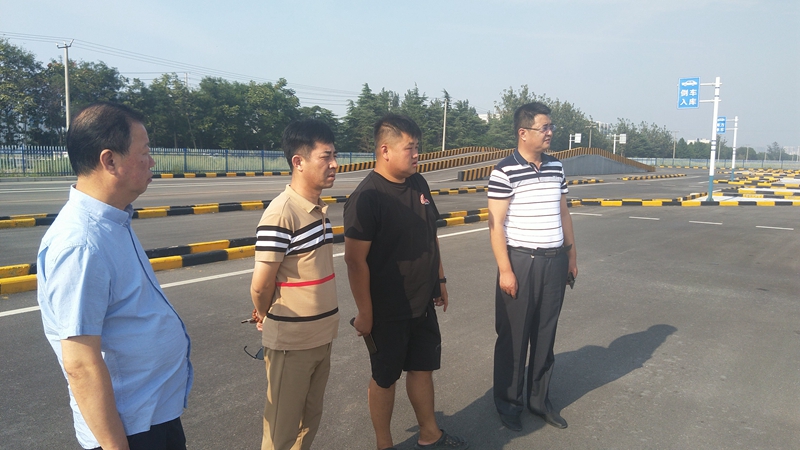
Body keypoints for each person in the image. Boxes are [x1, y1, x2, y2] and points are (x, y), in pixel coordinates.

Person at [37, 102, 193, 450]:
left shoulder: (111, 221)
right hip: (128, 432)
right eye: (145, 152)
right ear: (110, 161)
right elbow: (80, 362)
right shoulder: (81, 243)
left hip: (151, 417)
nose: (152, 162)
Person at [344, 114, 468, 450]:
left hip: (422, 300)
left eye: (418, 148)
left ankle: (430, 434)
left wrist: (439, 279)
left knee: (422, 368)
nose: (417, 155)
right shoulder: (367, 197)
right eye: (410, 148)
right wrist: (365, 312)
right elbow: (354, 260)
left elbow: (430, 234)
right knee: (385, 378)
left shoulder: (418, 183)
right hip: (387, 309)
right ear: (385, 150)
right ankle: (384, 444)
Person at [250, 119, 340, 450]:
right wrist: (264, 314)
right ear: (298, 162)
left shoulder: (317, 210)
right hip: (292, 342)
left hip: (321, 336)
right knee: (281, 430)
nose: (334, 164)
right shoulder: (282, 213)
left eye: (334, 156)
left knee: (309, 420)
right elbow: (261, 285)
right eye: (326, 156)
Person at [488, 102, 578, 431]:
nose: (550, 132)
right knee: (513, 337)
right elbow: (496, 224)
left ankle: (540, 401)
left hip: (554, 261)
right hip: (521, 261)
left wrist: (571, 256)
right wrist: (505, 270)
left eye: (551, 127)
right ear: (523, 133)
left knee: (545, 334)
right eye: (545, 127)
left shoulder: (556, 167)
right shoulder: (504, 171)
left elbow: (564, 213)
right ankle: (508, 403)